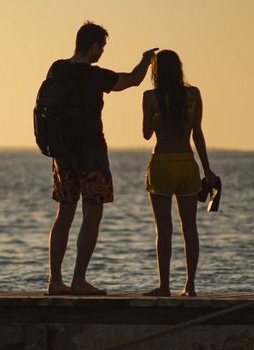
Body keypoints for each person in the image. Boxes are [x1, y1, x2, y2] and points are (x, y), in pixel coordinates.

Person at [45, 21, 158, 296]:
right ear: (94, 46)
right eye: (102, 47)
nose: (102, 53)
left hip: (62, 153)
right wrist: (146, 60)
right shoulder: (94, 76)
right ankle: (79, 280)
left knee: (65, 212)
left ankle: (56, 281)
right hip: (91, 152)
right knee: (92, 212)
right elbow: (132, 79)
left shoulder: (57, 68)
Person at [140, 50, 217, 297]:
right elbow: (198, 133)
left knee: (164, 230)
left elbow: (146, 133)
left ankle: (164, 286)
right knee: (189, 227)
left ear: (156, 72)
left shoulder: (151, 97)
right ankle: (190, 285)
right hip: (187, 163)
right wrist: (207, 169)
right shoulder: (193, 95)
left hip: (162, 163)